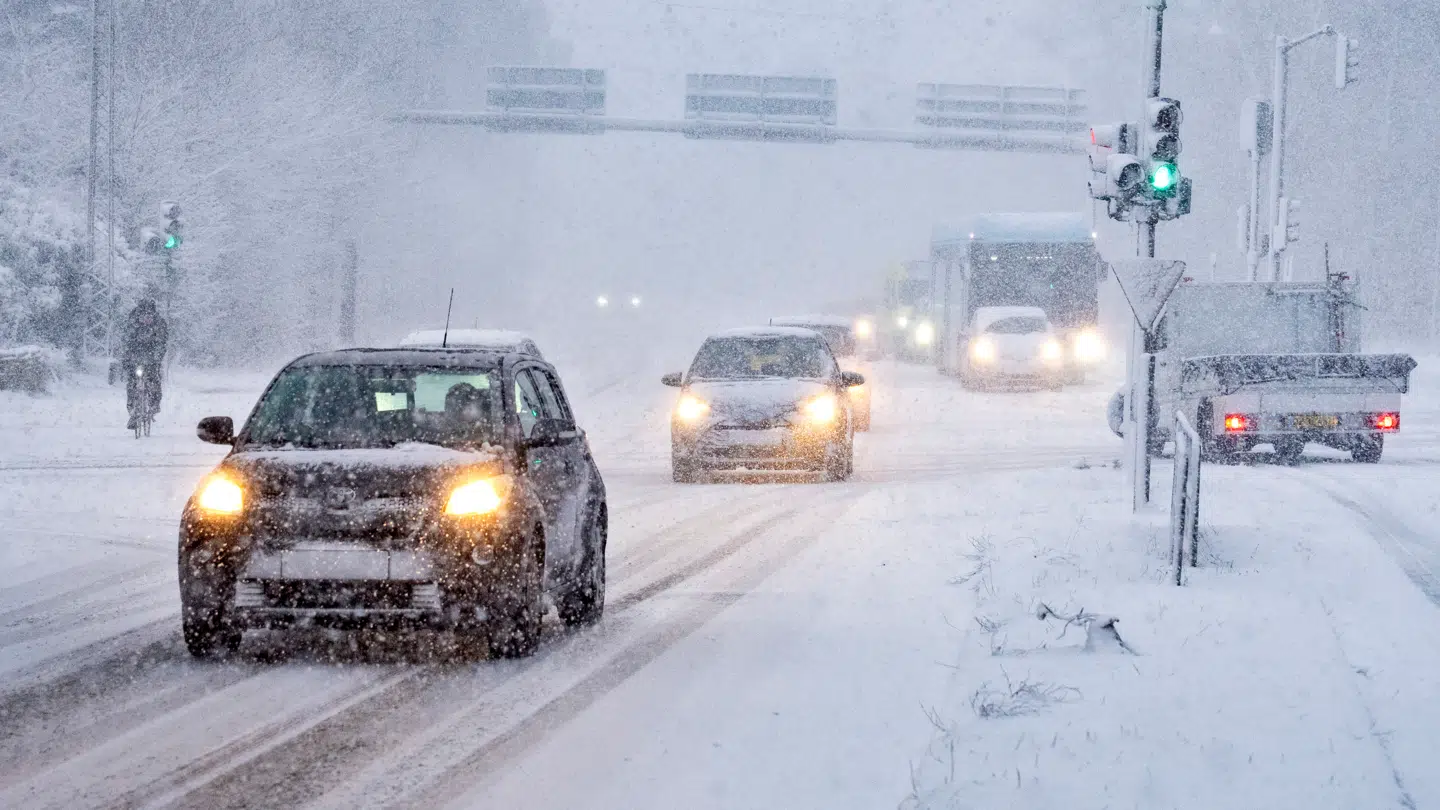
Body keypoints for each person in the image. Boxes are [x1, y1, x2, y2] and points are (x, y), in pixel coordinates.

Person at [121, 299, 168, 429]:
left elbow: (161, 343)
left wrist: (157, 358)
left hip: (152, 357)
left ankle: (154, 404)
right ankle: (133, 411)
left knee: (154, 380)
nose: (146, 318)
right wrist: (127, 357)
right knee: (132, 382)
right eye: (143, 315)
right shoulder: (132, 323)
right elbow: (125, 341)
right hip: (135, 357)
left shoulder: (159, 324)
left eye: (149, 315)